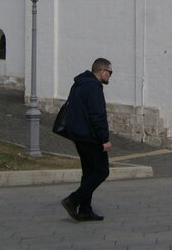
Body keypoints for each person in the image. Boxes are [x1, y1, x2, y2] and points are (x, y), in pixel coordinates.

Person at [60, 58, 113, 222]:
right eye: (109, 73)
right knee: (102, 171)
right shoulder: (93, 87)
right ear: (102, 71)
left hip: (78, 135)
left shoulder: (80, 84)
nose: (110, 76)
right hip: (91, 137)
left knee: (89, 173)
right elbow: (97, 115)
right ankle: (73, 200)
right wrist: (104, 139)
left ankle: (85, 209)